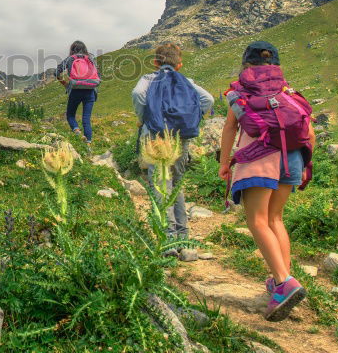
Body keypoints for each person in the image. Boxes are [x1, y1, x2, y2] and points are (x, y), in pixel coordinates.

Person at [218, 41, 315, 322]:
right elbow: (308, 129)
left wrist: (225, 162)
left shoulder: (239, 91)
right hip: (293, 157)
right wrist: (307, 164)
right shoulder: (288, 91)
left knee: (257, 221)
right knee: (276, 219)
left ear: (246, 64)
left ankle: (284, 283)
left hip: (260, 157)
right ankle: (281, 280)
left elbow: (230, 126)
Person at [132, 42, 214, 240]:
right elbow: (208, 100)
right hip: (180, 137)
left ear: (155, 62)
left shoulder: (149, 79)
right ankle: (182, 237)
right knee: (176, 182)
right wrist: (193, 118)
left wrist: (145, 119)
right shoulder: (186, 81)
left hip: (156, 137)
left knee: (160, 182)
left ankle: (167, 237)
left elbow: (137, 94)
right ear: (179, 64)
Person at [56, 41, 99, 144]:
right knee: (86, 118)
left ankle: (77, 131)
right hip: (90, 91)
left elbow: (56, 72)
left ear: (72, 49)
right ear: (85, 48)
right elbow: (98, 75)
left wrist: (65, 84)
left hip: (75, 90)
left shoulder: (70, 59)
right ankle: (88, 144)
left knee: (70, 115)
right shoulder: (91, 59)